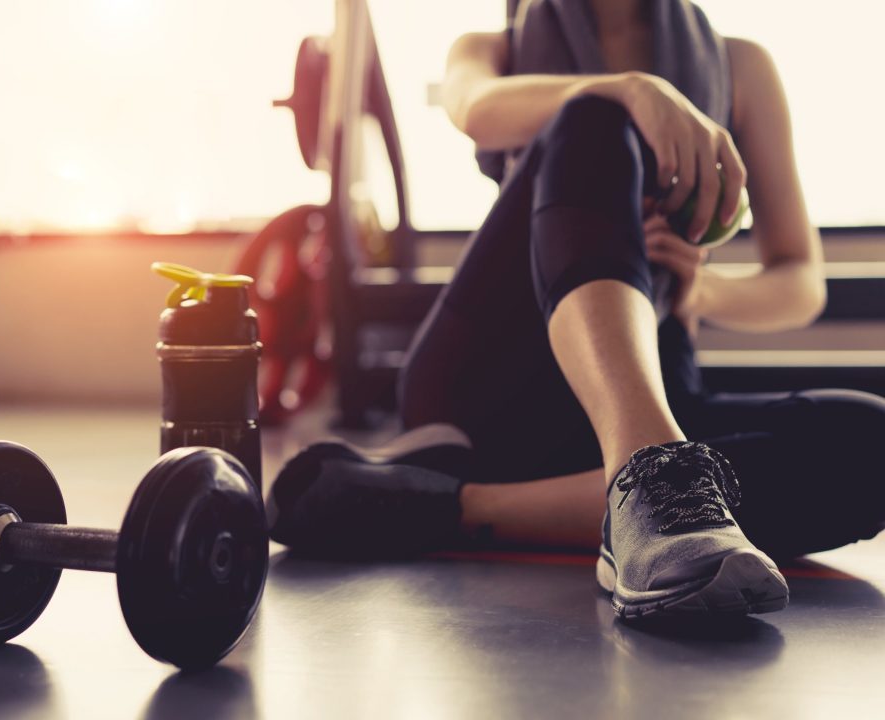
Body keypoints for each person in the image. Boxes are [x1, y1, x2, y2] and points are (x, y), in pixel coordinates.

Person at [266, 0, 885, 619]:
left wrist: (702, 293)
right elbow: (474, 109)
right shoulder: (490, 49)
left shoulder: (742, 66)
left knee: (871, 442)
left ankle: (456, 506)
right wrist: (632, 91)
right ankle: (651, 483)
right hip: (491, 383)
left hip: (653, 387)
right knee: (594, 117)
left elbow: (801, 282)